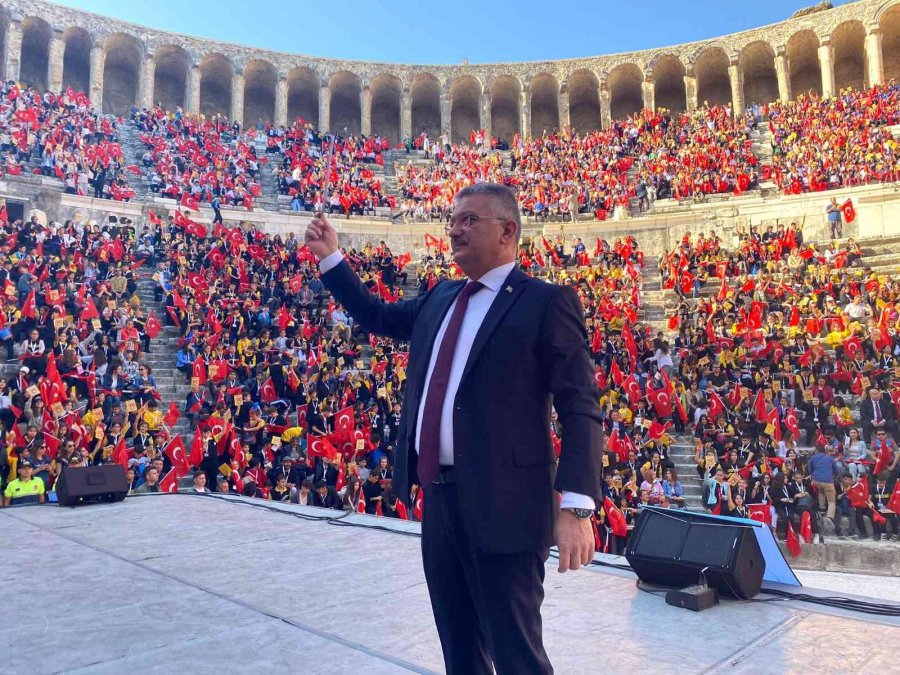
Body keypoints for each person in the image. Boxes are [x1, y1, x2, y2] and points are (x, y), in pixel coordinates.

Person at [305, 182, 603, 674]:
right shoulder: (440, 297)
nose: (455, 228)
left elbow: (580, 404)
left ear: (507, 231)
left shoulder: (545, 302)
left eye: (469, 220)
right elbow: (376, 315)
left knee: (516, 654)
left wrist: (576, 505)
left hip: (505, 505)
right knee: (459, 651)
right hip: (440, 503)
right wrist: (333, 259)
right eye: (453, 219)